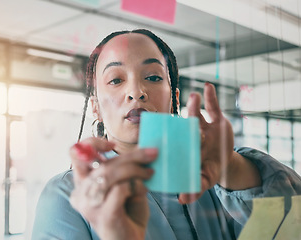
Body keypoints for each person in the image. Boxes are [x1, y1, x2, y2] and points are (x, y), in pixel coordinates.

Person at [32, 29, 301, 239]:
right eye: (116, 80)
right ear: (95, 107)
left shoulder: (212, 178)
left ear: (174, 99)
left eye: (153, 77)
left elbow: (292, 228)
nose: (136, 91)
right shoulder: (67, 194)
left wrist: (231, 167)